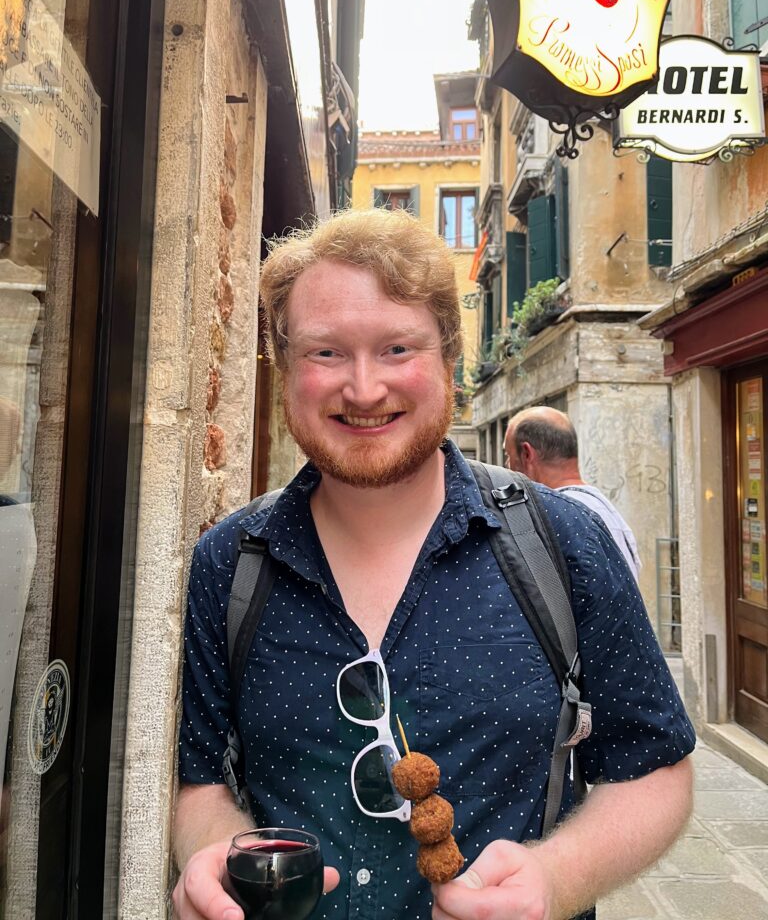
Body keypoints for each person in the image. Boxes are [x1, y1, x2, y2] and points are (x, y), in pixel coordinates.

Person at [172, 208, 694, 920]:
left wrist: (557, 877)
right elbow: (198, 782)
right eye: (326, 353)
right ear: (284, 367)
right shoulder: (226, 564)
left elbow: (655, 769)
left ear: (448, 357)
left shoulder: (564, 543)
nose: (363, 388)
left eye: (396, 348)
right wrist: (221, 857)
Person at [504, 407, 642, 581]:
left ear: (526, 454)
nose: (506, 466)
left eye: (508, 455)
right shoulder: (603, 508)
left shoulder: (552, 519)